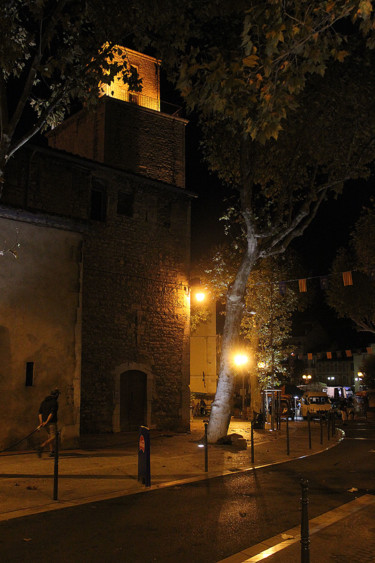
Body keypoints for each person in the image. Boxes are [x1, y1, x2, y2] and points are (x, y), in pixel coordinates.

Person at [36, 388, 60, 457]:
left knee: (49, 436)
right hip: (51, 423)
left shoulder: (44, 402)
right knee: (54, 437)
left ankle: (51, 451)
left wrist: (41, 422)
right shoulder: (54, 402)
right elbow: (52, 413)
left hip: (44, 422)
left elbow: (40, 413)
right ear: (56, 395)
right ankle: (41, 446)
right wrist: (47, 421)